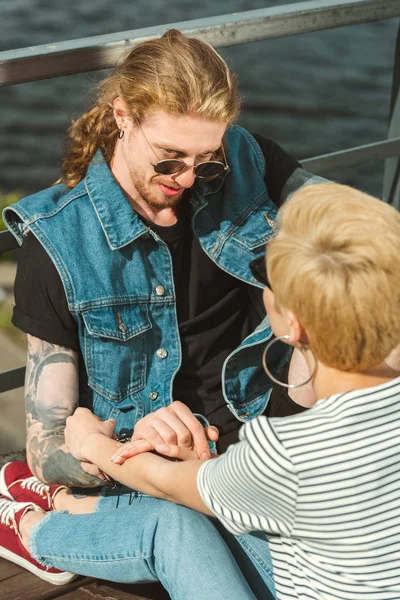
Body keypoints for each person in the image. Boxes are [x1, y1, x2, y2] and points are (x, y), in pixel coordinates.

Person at [1, 28, 329, 597]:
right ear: (122, 115)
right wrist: (116, 447)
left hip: (248, 458)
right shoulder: (59, 243)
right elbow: (48, 445)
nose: (187, 179)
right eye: (169, 159)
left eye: (206, 160)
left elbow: (355, 232)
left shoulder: (248, 161)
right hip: (141, 475)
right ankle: (35, 524)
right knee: (181, 530)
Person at [15, 182, 400, 600]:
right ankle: (70, 506)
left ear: (295, 325)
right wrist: (214, 469)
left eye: (264, 272)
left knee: (171, 525)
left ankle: (30, 528)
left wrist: (91, 442)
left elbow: (165, 483)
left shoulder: (291, 450)